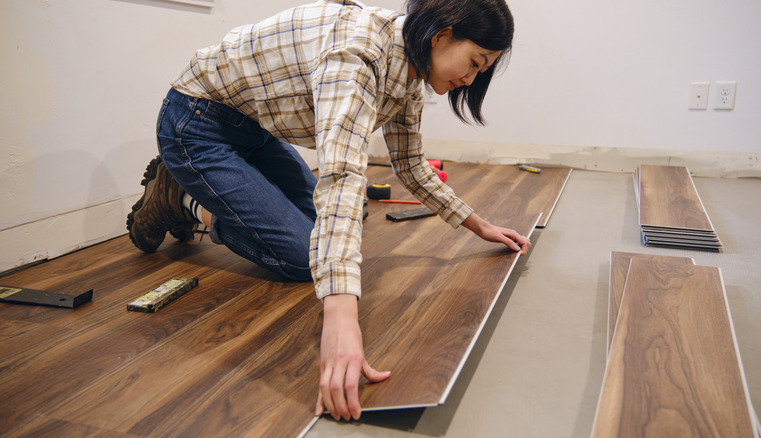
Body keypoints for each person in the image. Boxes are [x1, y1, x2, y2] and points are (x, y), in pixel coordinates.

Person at [127, 0, 530, 422]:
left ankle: (200, 190)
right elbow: (341, 178)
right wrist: (340, 322)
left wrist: (478, 225)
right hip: (197, 124)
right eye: (475, 62)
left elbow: (410, 165)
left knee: (334, 233)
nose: (470, 78)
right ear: (442, 35)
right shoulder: (357, 56)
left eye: (481, 71)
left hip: (256, 129)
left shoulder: (408, 66)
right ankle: (183, 201)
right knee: (305, 256)